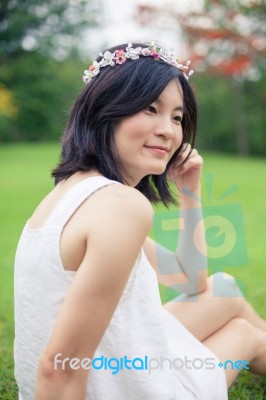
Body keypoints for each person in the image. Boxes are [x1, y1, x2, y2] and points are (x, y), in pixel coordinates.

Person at [14, 41, 266, 400]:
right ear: (105, 110)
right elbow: (58, 369)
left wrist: (190, 192)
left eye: (177, 117)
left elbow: (191, 280)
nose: (169, 130)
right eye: (151, 108)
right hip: (127, 388)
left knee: (222, 287)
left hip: (118, 364)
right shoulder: (121, 207)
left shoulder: (74, 194)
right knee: (246, 334)